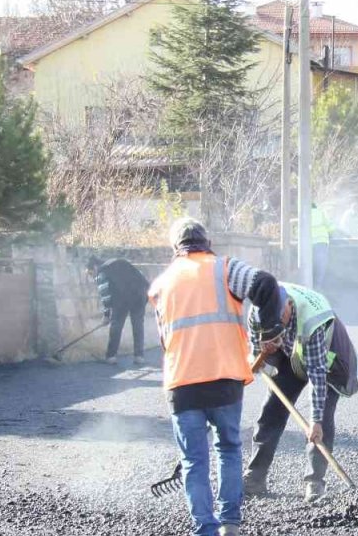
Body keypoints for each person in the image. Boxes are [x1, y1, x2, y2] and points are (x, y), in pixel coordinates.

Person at [147, 218, 281, 536]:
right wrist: (267, 331)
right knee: (229, 449)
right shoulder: (225, 269)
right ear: (206, 242)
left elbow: (165, 341)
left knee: (194, 460)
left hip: (182, 383)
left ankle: (204, 529)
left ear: (175, 248)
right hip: (225, 379)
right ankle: (230, 525)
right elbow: (266, 285)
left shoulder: (160, 284)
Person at [244, 281, 358, 504]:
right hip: (290, 354)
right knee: (271, 410)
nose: (275, 325)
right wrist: (261, 356)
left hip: (327, 357)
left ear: (288, 306)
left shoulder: (313, 322)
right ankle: (255, 477)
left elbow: (318, 376)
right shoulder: (257, 311)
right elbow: (255, 352)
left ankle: (314, 482)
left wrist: (314, 421)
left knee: (322, 419)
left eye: (279, 322)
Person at [86, 256, 150, 366]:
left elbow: (105, 295)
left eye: (91, 273)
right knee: (138, 325)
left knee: (116, 326)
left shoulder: (102, 272)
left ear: (95, 267)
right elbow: (143, 280)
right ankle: (139, 356)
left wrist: (106, 315)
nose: (93, 277)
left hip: (122, 298)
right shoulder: (120, 262)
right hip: (140, 294)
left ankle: (111, 356)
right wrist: (144, 299)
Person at [312, 203, 333, 288]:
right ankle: (318, 285)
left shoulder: (302, 213)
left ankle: (309, 283)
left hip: (308, 243)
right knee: (321, 264)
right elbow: (330, 226)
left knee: (310, 263)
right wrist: (331, 234)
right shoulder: (321, 212)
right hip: (322, 241)